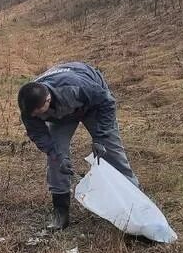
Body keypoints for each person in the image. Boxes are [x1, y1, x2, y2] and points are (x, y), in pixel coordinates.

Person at [18, 62, 139, 231]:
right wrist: (57, 155)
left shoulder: (76, 86)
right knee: (55, 158)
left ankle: (135, 203)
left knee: (112, 151)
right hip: (61, 117)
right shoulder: (29, 107)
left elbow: (107, 102)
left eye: (40, 112)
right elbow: (38, 134)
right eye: (34, 114)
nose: (38, 117)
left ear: (48, 99)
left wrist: (100, 137)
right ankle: (61, 212)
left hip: (93, 106)